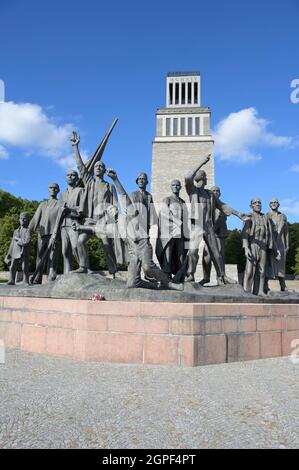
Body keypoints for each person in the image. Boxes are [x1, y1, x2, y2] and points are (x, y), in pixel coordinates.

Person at [100, 168, 183, 291]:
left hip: (143, 241)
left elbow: (123, 195)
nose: (113, 212)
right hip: (133, 250)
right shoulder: (117, 224)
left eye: (144, 179)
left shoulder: (139, 204)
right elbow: (94, 229)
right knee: (132, 283)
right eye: (110, 211)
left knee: (148, 267)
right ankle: (152, 285)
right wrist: (80, 227)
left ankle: (169, 284)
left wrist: (115, 179)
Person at [185, 155, 245, 284]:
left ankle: (222, 276)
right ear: (201, 179)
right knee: (193, 251)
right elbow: (187, 177)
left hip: (208, 225)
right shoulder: (193, 191)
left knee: (216, 253)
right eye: (205, 177)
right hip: (197, 225)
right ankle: (190, 274)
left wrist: (238, 214)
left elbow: (223, 206)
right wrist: (202, 162)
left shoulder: (210, 194)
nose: (207, 179)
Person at [71, 132, 124, 277]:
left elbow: (115, 203)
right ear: (93, 170)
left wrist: (115, 215)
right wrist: (75, 147)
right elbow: (81, 166)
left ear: (104, 170)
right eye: (96, 166)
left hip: (103, 221)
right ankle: (84, 267)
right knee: (80, 241)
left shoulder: (109, 186)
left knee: (106, 244)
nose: (98, 167)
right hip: (89, 220)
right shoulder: (89, 182)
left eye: (101, 166)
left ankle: (114, 271)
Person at [29, 183, 62, 283]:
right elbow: (35, 219)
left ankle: (51, 278)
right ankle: (37, 277)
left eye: (55, 188)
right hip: (42, 234)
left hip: (55, 234)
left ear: (58, 190)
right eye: (51, 188)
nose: (53, 189)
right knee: (39, 256)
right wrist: (28, 232)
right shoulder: (43, 204)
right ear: (48, 189)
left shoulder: (60, 203)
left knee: (53, 257)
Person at [201, 186, 235, 285]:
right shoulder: (209, 206)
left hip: (218, 235)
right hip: (210, 235)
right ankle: (206, 278)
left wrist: (210, 230)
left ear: (220, 194)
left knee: (219, 256)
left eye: (217, 191)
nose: (215, 193)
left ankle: (220, 278)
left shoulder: (222, 206)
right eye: (213, 191)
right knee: (206, 257)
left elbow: (221, 220)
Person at [156, 179, 188, 280]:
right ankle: (167, 276)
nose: (175, 187)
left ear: (180, 187)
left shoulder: (183, 202)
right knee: (168, 254)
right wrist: (177, 221)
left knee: (181, 254)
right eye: (173, 185)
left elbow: (186, 217)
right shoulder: (167, 200)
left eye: (177, 185)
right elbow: (164, 213)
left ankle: (181, 276)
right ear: (171, 187)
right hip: (169, 233)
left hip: (181, 233)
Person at [242, 198, 272, 296]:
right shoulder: (249, 217)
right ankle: (247, 291)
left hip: (263, 245)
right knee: (250, 270)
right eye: (255, 203)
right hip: (253, 244)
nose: (257, 204)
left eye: (259, 202)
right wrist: (246, 248)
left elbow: (270, 234)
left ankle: (259, 291)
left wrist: (272, 248)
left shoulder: (265, 217)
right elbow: (244, 235)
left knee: (262, 271)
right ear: (251, 206)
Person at [60, 169, 86, 274]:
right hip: (63, 225)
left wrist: (69, 209)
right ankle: (67, 273)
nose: (70, 176)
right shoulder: (62, 194)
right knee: (65, 251)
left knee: (75, 247)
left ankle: (84, 267)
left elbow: (83, 208)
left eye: (73, 175)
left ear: (77, 178)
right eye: (68, 175)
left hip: (74, 222)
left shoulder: (81, 190)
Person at [265, 198, 289, 292]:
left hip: (280, 243)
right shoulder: (266, 216)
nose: (273, 204)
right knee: (268, 264)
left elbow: (286, 232)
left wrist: (287, 245)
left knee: (281, 265)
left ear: (278, 204)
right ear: (269, 205)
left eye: (275, 202)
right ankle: (265, 285)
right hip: (270, 243)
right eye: (271, 202)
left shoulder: (283, 216)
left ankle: (283, 285)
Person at [4, 212, 31, 285]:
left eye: (24, 219)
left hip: (24, 251)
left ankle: (25, 281)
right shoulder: (15, 231)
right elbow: (12, 244)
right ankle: (12, 280)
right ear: (19, 220)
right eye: (21, 219)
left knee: (24, 267)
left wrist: (18, 240)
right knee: (12, 267)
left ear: (27, 220)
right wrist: (8, 254)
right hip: (15, 251)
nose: (23, 220)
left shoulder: (28, 230)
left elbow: (27, 241)